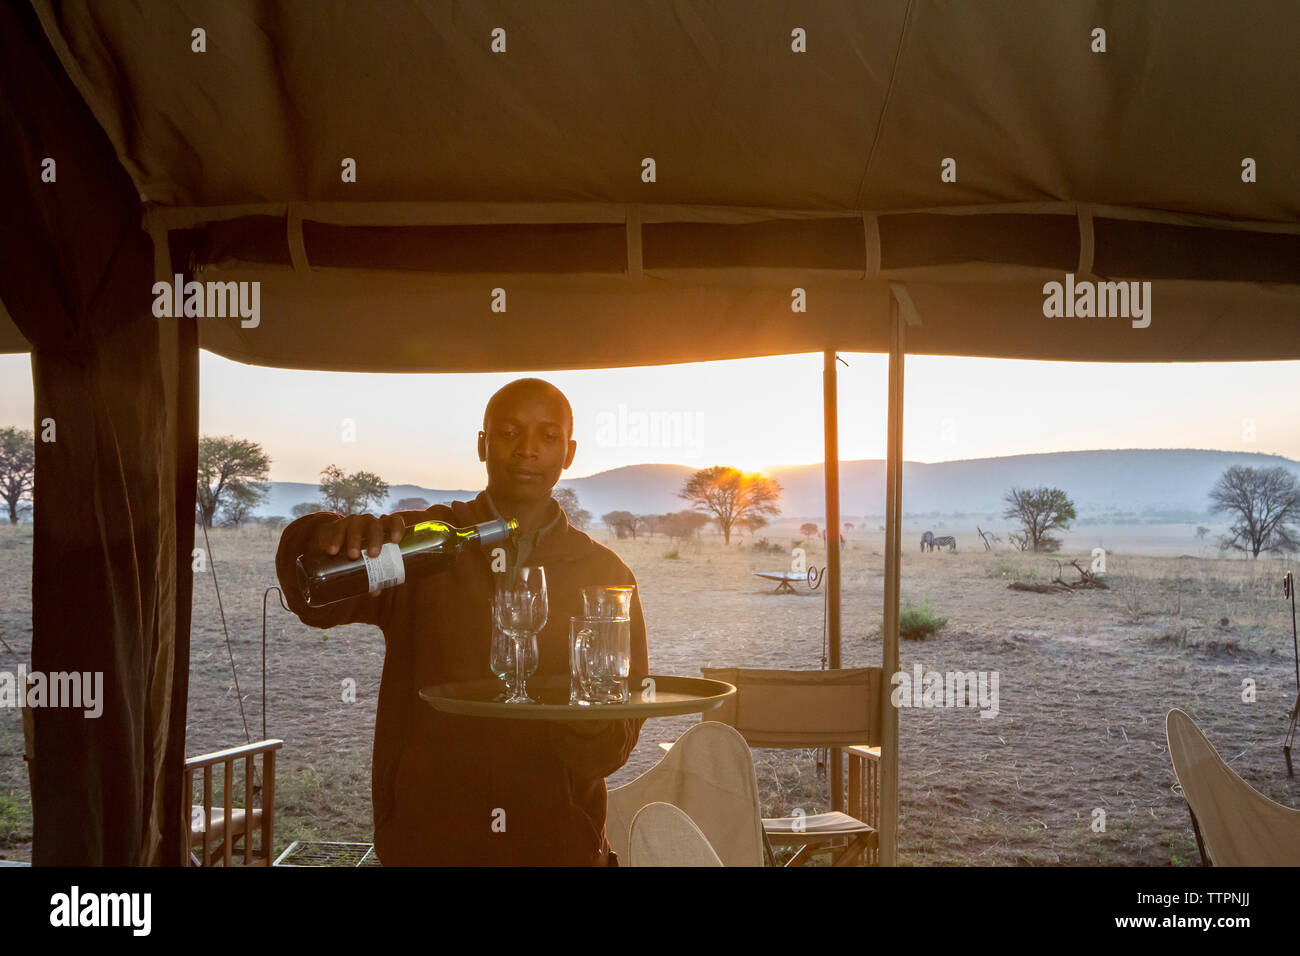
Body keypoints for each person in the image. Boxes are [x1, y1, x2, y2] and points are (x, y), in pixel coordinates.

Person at [274, 378, 649, 865]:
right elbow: (314, 603)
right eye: (509, 432)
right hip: (428, 844)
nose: (528, 450)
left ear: (570, 452)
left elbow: (612, 747)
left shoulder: (606, 575)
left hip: (558, 848)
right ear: (482, 444)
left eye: (547, 436)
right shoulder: (419, 542)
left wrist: (579, 710)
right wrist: (325, 536)